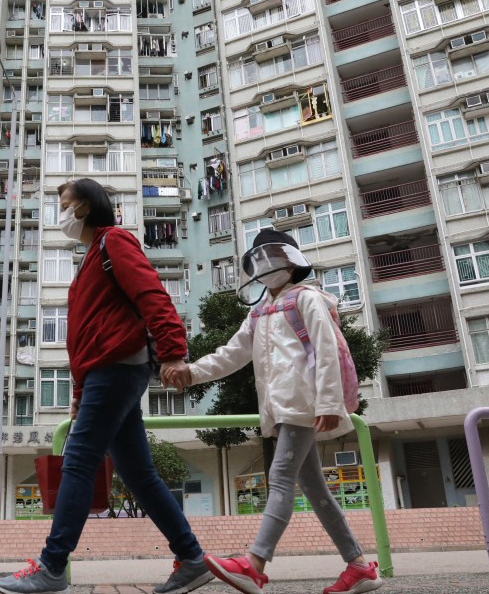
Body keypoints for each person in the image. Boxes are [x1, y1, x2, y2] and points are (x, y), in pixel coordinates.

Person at [0, 178, 212, 594]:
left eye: (65, 204)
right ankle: (192, 558)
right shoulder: (90, 257)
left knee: (78, 459)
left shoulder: (115, 242)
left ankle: (52, 566)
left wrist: (173, 351)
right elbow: (85, 337)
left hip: (117, 367)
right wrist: (78, 396)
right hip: (104, 372)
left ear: (85, 207)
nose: (60, 213)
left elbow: (153, 296)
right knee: (139, 474)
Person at [163, 230, 383, 594]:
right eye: (259, 261)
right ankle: (359, 566)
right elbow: (232, 353)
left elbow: (327, 349)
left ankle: (254, 564)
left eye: (271, 259)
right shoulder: (260, 311)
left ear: (292, 262)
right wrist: (192, 372)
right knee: (315, 489)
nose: (264, 267)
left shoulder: (308, 299)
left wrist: (328, 402)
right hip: (282, 408)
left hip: (302, 404)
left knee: (280, 476)